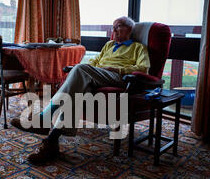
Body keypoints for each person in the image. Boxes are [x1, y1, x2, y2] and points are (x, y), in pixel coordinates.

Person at [11, 16, 150, 164]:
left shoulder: (138, 47)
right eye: (113, 26)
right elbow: (94, 62)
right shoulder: (109, 45)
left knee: (80, 68)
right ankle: (51, 142)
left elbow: (143, 68)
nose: (113, 29)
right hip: (97, 76)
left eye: (118, 26)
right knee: (78, 93)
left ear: (129, 29)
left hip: (118, 77)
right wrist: (91, 68)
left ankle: (44, 118)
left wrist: (117, 69)